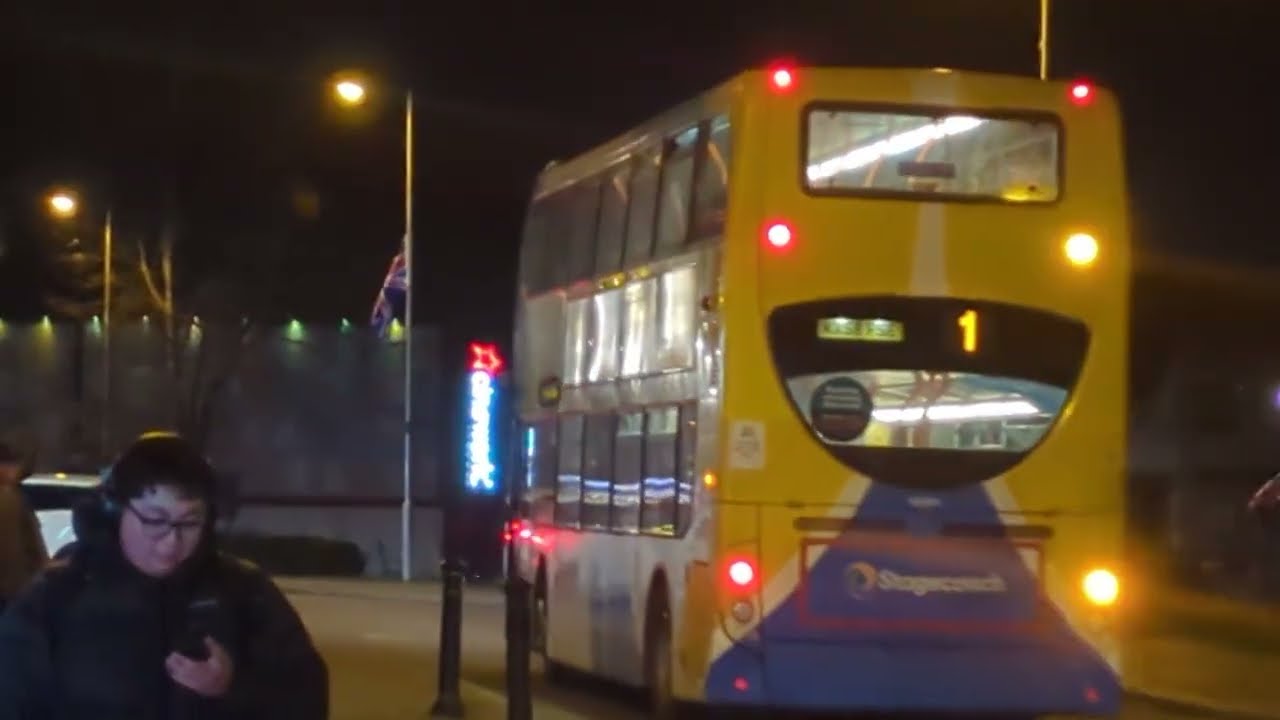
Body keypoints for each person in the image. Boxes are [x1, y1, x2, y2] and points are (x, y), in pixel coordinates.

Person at [0, 431, 329, 719]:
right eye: (155, 521)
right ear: (115, 512)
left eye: (189, 523)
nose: (172, 541)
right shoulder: (56, 599)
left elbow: (306, 699)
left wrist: (234, 689)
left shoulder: (245, 594)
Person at [0, 441, 46, 611]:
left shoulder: (14, 497)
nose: (17, 472)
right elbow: (33, 548)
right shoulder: (13, 500)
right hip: (13, 591)